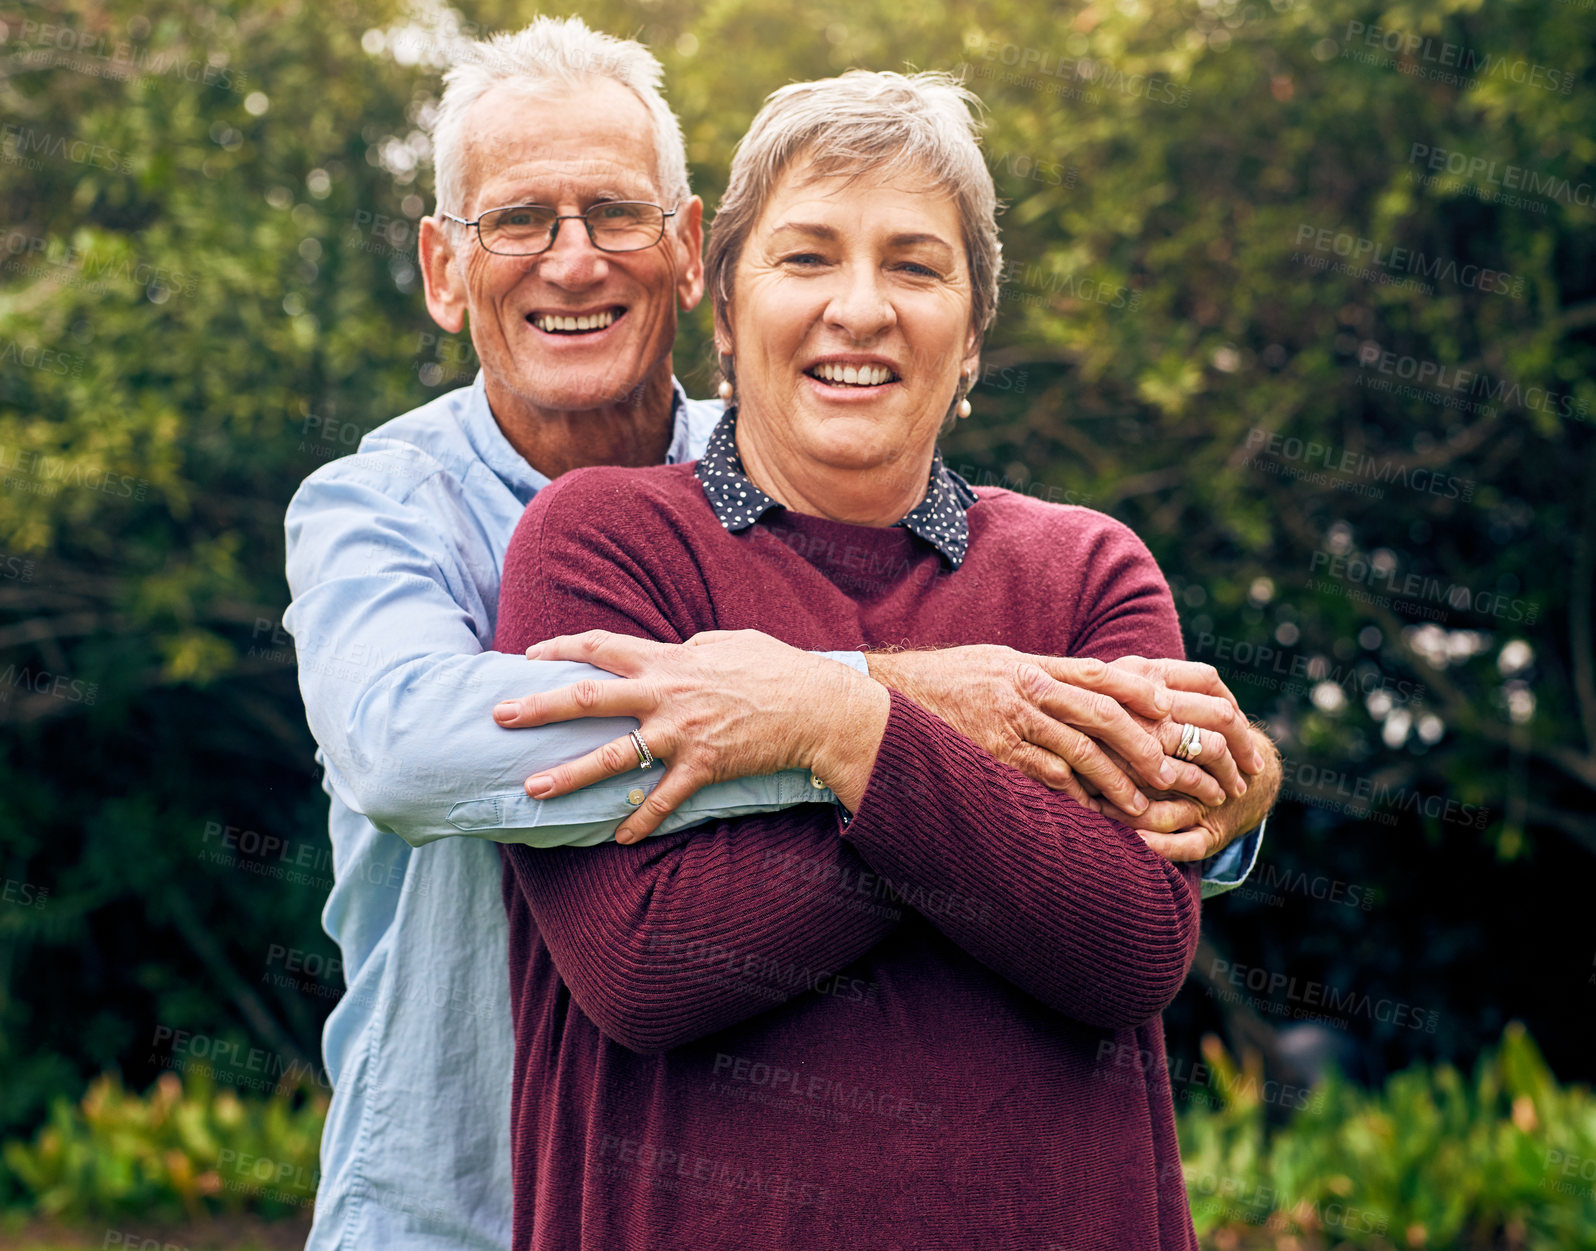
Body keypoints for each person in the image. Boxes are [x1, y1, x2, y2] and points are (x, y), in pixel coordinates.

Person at [283, 21, 1268, 1251]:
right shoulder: (406, 510)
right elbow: (409, 757)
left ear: (693, 257)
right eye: (520, 221)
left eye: (616, 215)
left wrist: (1223, 796)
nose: (573, 262)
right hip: (454, 1197)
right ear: (444, 268)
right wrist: (876, 713)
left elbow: (1132, 914)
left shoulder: (835, 445)